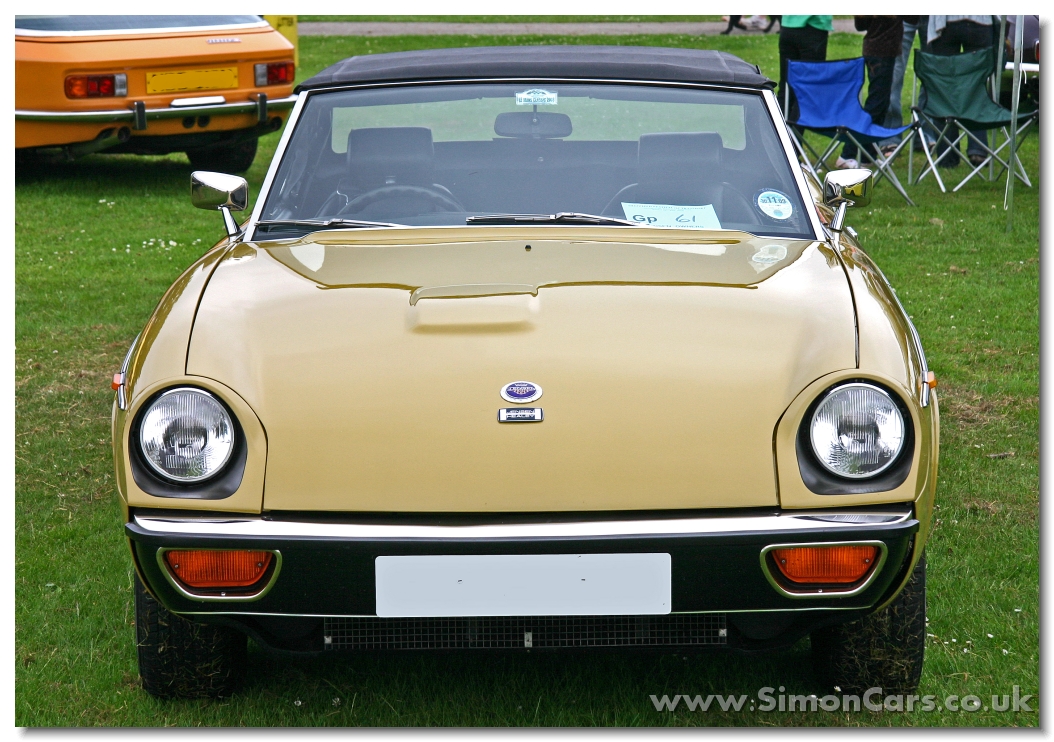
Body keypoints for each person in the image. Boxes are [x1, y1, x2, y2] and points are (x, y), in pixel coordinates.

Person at [923, 15, 997, 167]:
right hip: (979, 19)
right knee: (976, 87)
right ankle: (978, 149)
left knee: (944, 90)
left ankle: (946, 155)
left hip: (945, 20)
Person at [836, 16, 904, 169]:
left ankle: (868, 154)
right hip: (882, 51)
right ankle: (847, 153)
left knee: (881, 104)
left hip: (878, 49)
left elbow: (860, 24)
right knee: (876, 105)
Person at [778, 16, 833, 122]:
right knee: (808, 89)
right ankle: (793, 136)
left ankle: (776, 133)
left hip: (788, 25)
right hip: (813, 26)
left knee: (786, 87)